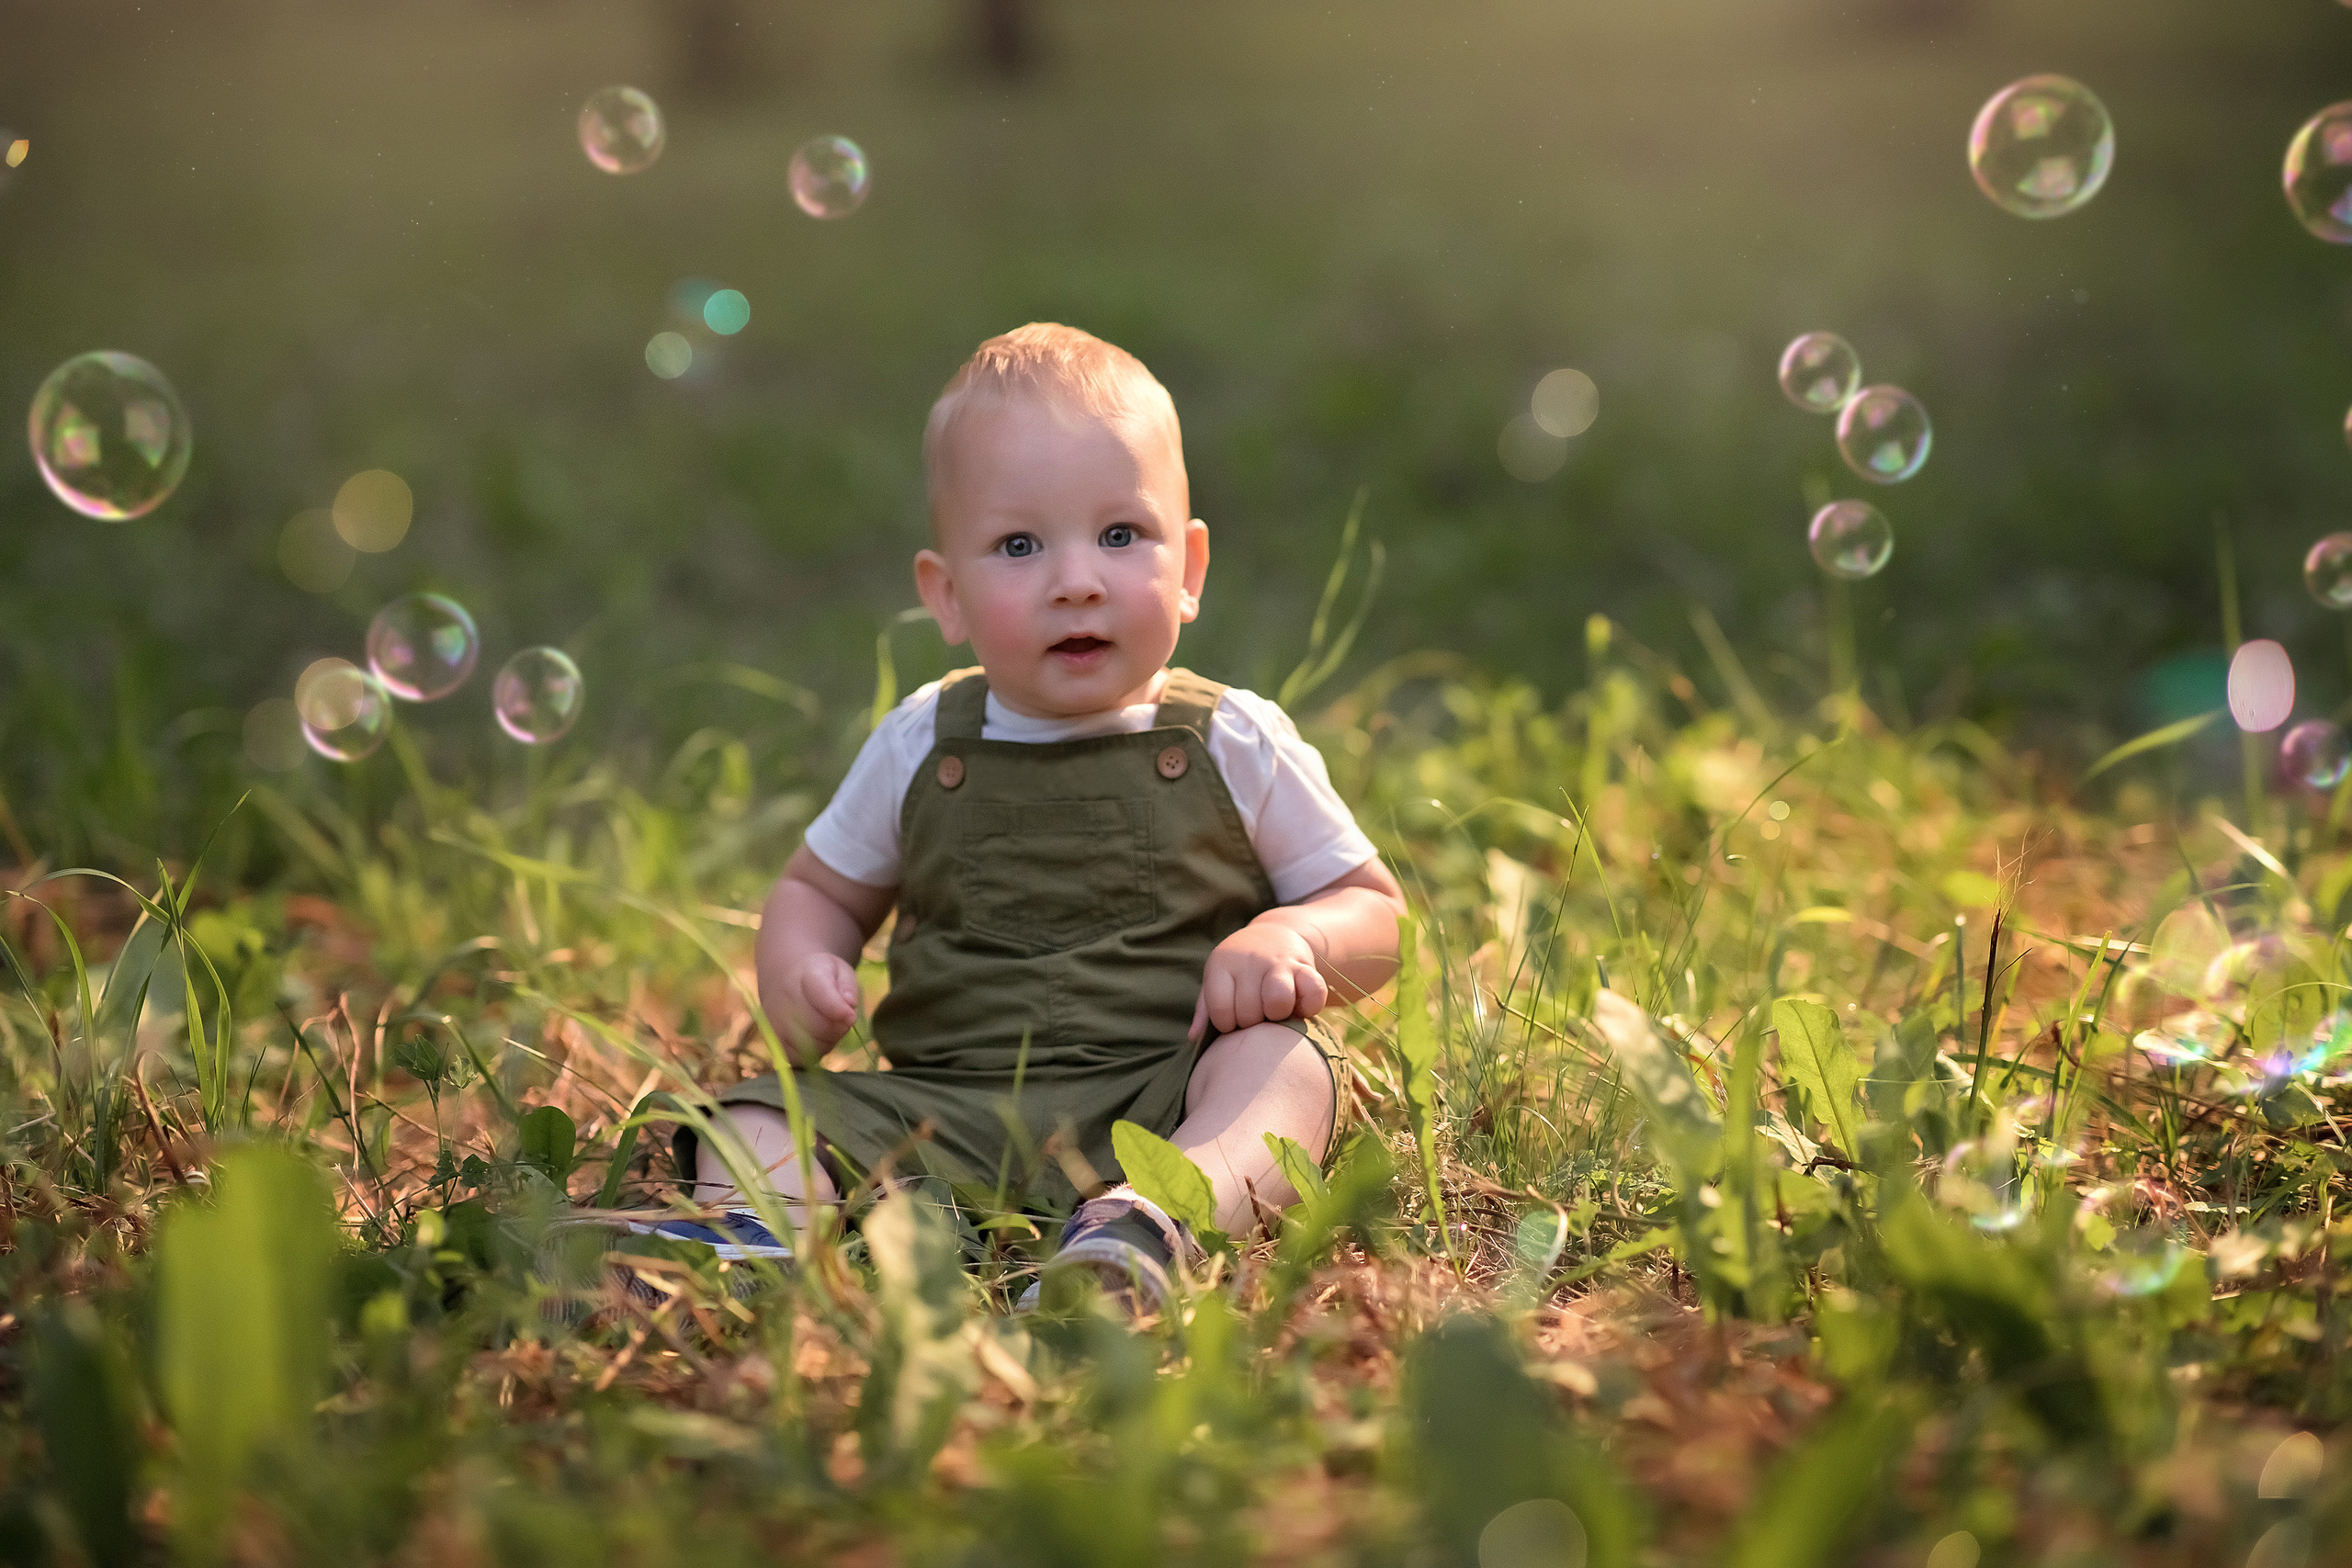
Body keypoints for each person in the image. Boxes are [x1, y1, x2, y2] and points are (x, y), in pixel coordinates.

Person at [647, 322, 1404, 1309]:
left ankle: (1149, 1224)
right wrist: (797, 967)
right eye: (1018, 545)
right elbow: (815, 888)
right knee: (753, 1115)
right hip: (944, 1112)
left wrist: (1292, 935)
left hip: (1164, 1090)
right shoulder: (923, 742)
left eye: (1121, 535)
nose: (1077, 579)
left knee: (1287, 1067)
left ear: (1191, 572)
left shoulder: (1232, 740)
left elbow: (1374, 913)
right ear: (946, 596)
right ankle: (753, 1248)